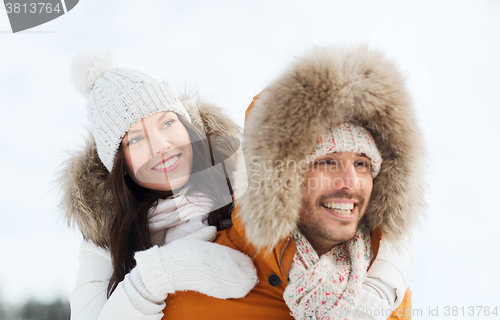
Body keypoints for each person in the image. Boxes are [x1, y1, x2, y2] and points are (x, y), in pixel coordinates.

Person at [158, 46, 424, 320]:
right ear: (277, 178)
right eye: (327, 162)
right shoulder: (194, 293)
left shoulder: (384, 294)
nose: (351, 182)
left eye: (362, 164)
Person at [58, 51, 258, 320]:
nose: (160, 146)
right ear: (122, 166)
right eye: (136, 140)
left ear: (187, 126)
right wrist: (158, 274)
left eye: (167, 123)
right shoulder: (106, 238)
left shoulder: (244, 182)